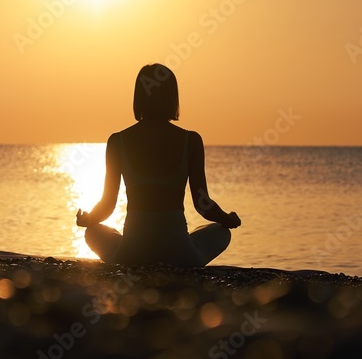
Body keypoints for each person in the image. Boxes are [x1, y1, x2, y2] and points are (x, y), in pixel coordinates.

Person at [75, 63, 240, 266]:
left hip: (130, 255)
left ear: (139, 97)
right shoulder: (191, 140)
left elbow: (108, 205)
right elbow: (203, 204)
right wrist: (227, 219)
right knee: (221, 232)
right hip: (181, 256)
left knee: (93, 232)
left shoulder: (118, 141)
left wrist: (88, 219)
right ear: (172, 97)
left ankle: (126, 253)